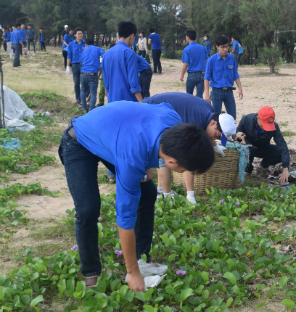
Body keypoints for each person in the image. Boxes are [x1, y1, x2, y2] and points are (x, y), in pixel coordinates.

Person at [58, 100, 215, 291]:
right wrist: (132, 273)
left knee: (147, 193)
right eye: (184, 170)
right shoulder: (132, 158)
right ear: (172, 161)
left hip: (114, 137)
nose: (183, 173)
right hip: (79, 140)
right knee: (88, 208)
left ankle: (142, 259)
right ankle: (92, 272)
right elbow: (125, 219)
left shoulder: (174, 122)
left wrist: (148, 165)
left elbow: (162, 110)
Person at [146, 92, 233, 204]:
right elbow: (188, 159)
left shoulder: (209, 112)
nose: (216, 138)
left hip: (163, 110)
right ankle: (166, 195)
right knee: (166, 153)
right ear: (213, 123)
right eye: (217, 135)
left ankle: (160, 191)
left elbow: (207, 132)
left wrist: (215, 147)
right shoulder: (193, 122)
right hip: (153, 110)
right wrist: (190, 194)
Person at [237, 106, 291, 184]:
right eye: (264, 125)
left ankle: (263, 166)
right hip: (248, 148)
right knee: (246, 149)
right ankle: (247, 170)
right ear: (258, 118)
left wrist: (285, 168)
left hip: (263, 147)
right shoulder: (246, 119)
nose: (265, 128)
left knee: (279, 153)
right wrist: (238, 135)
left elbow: (282, 144)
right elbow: (236, 135)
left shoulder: (274, 126)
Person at [102, 21, 143, 103]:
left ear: (118, 35)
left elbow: (106, 83)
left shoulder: (106, 54)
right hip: (127, 102)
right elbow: (133, 83)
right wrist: (142, 102)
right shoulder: (129, 53)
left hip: (112, 101)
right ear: (132, 36)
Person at [204, 35, 243, 119]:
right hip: (216, 92)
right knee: (216, 118)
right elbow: (206, 78)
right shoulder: (212, 60)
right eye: (222, 47)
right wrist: (207, 94)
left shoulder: (232, 59)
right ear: (217, 47)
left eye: (227, 46)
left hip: (229, 92)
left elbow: (235, 74)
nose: (225, 49)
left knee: (232, 117)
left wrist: (240, 88)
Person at [79, 38, 105, 112]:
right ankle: (91, 109)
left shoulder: (83, 51)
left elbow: (81, 61)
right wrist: (101, 65)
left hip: (83, 74)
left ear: (86, 44)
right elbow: (105, 56)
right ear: (94, 44)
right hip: (93, 75)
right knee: (93, 93)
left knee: (83, 90)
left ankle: (84, 108)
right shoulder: (98, 49)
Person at [180, 30, 208, 96]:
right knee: (199, 96)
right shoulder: (202, 48)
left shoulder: (187, 49)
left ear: (188, 37)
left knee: (189, 96)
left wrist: (182, 75)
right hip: (202, 74)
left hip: (192, 74)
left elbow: (185, 64)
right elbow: (207, 60)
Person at [66, 28, 86, 106]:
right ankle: (78, 99)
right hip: (75, 66)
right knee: (76, 83)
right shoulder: (71, 44)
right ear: (75, 35)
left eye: (81, 33)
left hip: (84, 66)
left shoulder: (86, 44)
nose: (80, 35)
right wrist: (67, 66)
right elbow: (69, 55)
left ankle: (83, 99)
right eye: (78, 34)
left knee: (84, 83)